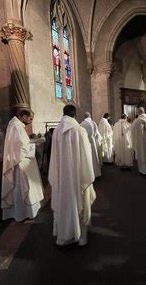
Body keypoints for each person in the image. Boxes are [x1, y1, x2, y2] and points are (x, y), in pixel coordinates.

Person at [49, 105, 96, 246]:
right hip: (77, 178)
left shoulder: (56, 131)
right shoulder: (79, 131)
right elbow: (86, 158)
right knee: (80, 202)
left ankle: (63, 237)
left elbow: (54, 158)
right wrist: (88, 176)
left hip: (61, 178)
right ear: (75, 115)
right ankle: (80, 236)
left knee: (62, 202)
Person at [1, 109, 44, 222]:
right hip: (21, 164)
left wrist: (32, 141)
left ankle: (25, 212)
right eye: (30, 118)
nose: (30, 121)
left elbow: (20, 144)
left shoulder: (16, 125)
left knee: (23, 188)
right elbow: (20, 149)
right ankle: (22, 213)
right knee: (23, 188)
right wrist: (34, 144)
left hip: (22, 162)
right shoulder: (16, 126)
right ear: (23, 116)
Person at [80, 112, 102, 178]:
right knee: (94, 156)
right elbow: (96, 133)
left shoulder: (81, 124)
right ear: (90, 116)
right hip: (93, 141)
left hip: (85, 142)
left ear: (84, 117)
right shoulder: (94, 123)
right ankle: (96, 172)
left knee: (87, 157)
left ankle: (88, 174)